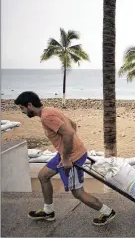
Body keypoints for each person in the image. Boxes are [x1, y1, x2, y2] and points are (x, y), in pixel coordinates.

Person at [14, 91, 115, 226]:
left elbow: (69, 132)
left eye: (22, 108)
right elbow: (72, 124)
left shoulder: (46, 117)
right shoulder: (49, 110)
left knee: (78, 193)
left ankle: (107, 212)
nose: (22, 111)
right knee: (43, 176)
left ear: (30, 105)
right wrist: (67, 148)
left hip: (71, 157)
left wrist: (68, 157)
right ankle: (48, 211)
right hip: (64, 154)